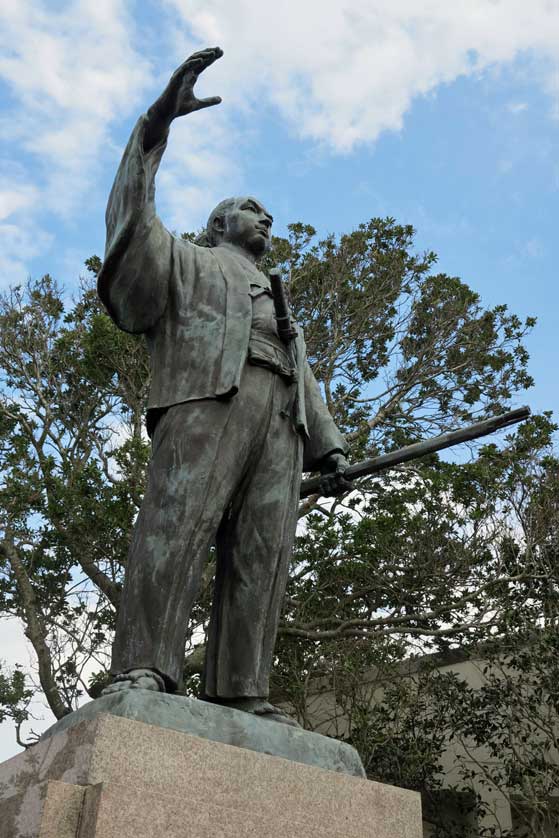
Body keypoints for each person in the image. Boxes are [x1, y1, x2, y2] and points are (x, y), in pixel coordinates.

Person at [98, 47, 350, 724]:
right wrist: (155, 127)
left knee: (264, 552)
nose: (265, 218)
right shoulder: (186, 260)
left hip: (279, 419)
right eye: (251, 209)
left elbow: (305, 372)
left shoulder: (277, 294)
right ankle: (143, 669)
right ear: (218, 223)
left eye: (269, 214)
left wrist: (327, 446)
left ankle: (241, 688)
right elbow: (131, 221)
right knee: (174, 528)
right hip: (207, 398)